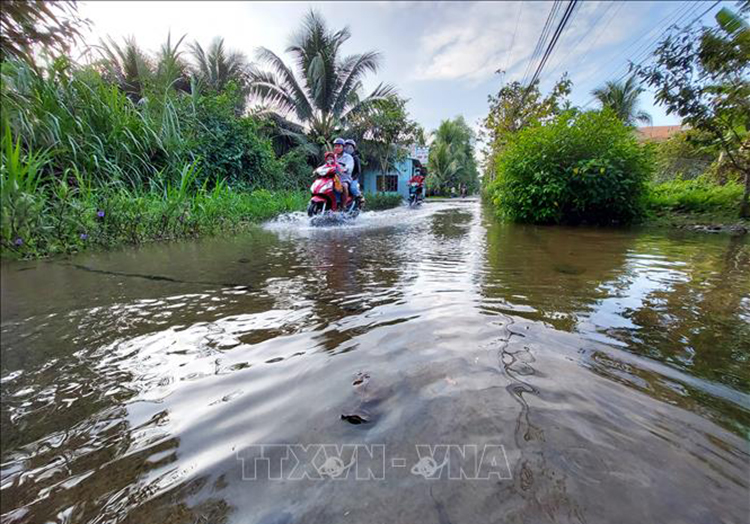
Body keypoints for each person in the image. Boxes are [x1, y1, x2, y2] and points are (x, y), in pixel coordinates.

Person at [332, 137, 354, 208]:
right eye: (335, 146)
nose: (336, 148)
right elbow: (327, 164)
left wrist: (345, 169)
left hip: (344, 178)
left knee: (344, 186)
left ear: (343, 147)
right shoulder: (332, 157)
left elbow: (349, 166)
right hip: (333, 177)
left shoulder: (348, 157)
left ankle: (343, 205)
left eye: (339, 146)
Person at [344, 139, 363, 205]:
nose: (348, 148)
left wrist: (353, 178)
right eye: (346, 146)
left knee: (353, 188)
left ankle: (360, 197)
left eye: (350, 147)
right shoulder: (342, 157)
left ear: (353, 148)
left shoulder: (355, 158)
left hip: (353, 178)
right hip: (343, 177)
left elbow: (358, 171)